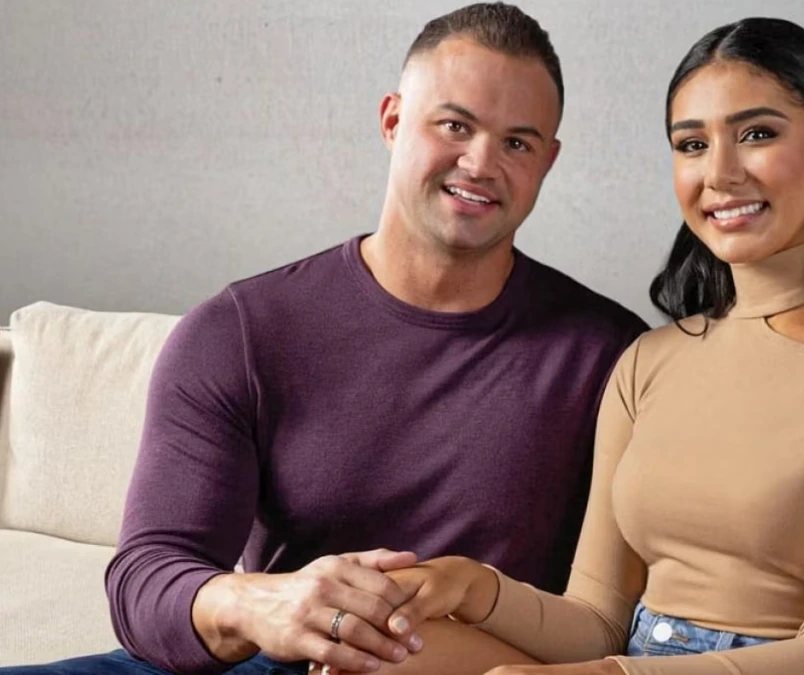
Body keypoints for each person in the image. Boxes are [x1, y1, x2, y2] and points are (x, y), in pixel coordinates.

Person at [0, 4, 647, 675]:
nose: (480, 162)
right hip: (272, 662)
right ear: (392, 121)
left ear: (548, 160)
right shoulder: (240, 330)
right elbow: (146, 582)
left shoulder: (611, 358)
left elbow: (611, 623)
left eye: (517, 143)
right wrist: (264, 603)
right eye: (455, 125)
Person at [343, 17, 804, 675]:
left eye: (757, 134)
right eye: (692, 144)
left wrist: (607, 674)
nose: (720, 173)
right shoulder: (650, 360)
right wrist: (472, 585)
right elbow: (597, 622)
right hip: (627, 662)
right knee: (374, 653)